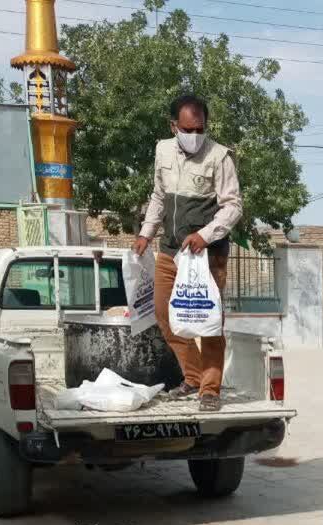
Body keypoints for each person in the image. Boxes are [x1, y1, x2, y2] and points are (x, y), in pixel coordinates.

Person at [133, 94, 243, 410]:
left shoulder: (220, 157)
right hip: (171, 250)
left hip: (208, 254)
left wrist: (205, 235)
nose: (194, 135)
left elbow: (233, 206)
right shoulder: (162, 150)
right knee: (165, 315)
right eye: (187, 129)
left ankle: (210, 389)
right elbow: (158, 196)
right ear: (173, 126)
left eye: (200, 129)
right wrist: (145, 233)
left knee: (208, 321)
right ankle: (192, 378)